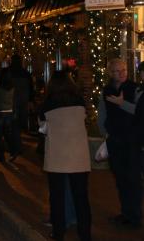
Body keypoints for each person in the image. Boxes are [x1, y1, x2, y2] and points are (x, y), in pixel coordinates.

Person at [40, 70, 91, 241]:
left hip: (57, 154)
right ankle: (85, 234)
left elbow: (43, 127)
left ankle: (59, 231)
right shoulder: (79, 101)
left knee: (57, 196)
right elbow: (84, 118)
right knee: (81, 196)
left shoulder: (48, 103)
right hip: (78, 154)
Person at [98, 58, 142, 229]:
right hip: (115, 140)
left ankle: (134, 216)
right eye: (117, 71)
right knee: (120, 179)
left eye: (123, 70)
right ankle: (126, 213)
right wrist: (105, 133)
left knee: (133, 180)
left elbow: (140, 112)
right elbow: (102, 114)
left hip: (132, 142)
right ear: (110, 73)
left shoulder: (135, 89)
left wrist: (121, 103)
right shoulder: (107, 91)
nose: (122, 73)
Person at [9, 54, 34, 154]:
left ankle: (15, 144)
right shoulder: (25, 73)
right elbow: (31, 88)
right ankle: (17, 142)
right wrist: (30, 100)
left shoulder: (8, 72)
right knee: (19, 122)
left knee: (13, 122)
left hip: (11, 101)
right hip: (23, 100)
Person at [0, 68, 16, 163]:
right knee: (7, 133)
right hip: (9, 112)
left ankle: (1, 155)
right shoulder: (12, 87)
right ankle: (13, 150)